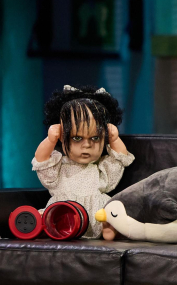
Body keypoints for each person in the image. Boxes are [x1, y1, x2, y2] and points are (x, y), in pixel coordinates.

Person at [33, 85, 136, 239]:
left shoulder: (99, 169)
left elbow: (119, 158)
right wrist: (50, 140)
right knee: (46, 218)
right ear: (61, 136)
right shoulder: (59, 168)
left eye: (95, 138)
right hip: (64, 213)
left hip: (95, 214)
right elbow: (41, 160)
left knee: (113, 212)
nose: (86, 145)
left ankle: (108, 227)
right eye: (77, 138)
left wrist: (114, 139)